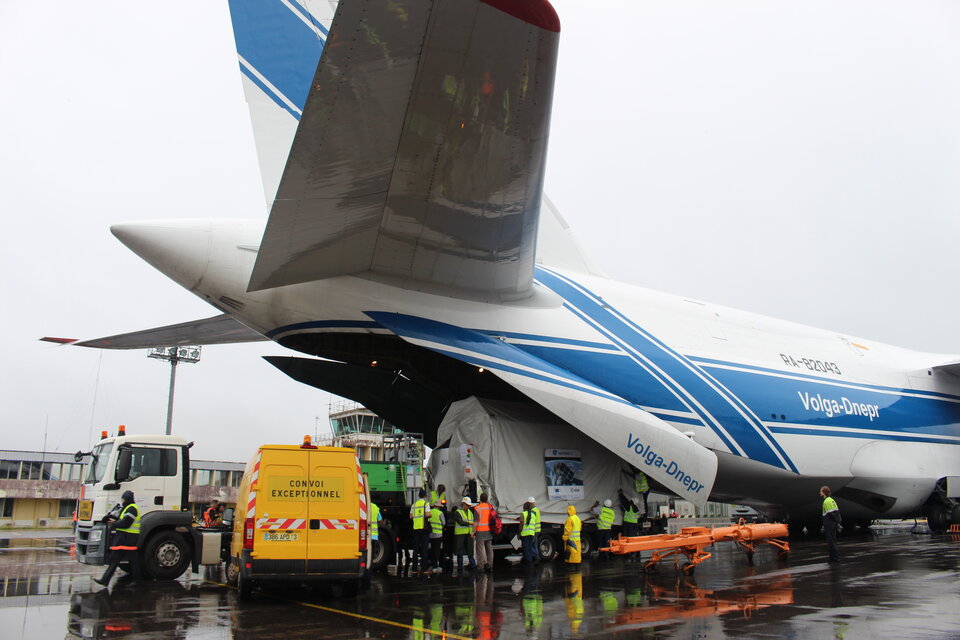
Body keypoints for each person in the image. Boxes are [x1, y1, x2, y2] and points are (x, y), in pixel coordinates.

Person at [94, 490, 141, 586]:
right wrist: (108, 518)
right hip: (124, 538)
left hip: (129, 538)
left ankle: (137, 580)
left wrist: (114, 523)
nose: (122, 501)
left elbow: (126, 523)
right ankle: (105, 580)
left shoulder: (132, 508)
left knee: (132, 560)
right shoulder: (127, 508)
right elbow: (120, 518)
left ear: (127, 499)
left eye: (123, 499)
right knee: (116, 559)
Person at [452, 497, 477, 573]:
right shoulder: (458, 512)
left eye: (469, 505)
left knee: (470, 550)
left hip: (468, 534)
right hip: (460, 534)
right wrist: (470, 523)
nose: (469, 507)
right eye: (468, 505)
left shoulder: (470, 512)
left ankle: (473, 565)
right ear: (463, 504)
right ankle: (460, 567)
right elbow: (460, 522)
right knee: (460, 551)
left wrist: (473, 532)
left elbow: (473, 523)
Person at [410, 489, 432, 573]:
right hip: (423, 528)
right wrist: (430, 514)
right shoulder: (426, 503)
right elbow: (427, 514)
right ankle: (424, 568)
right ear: (425, 496)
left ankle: (414, 569)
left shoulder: (414, 504)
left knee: (415, 549)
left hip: (415, 528)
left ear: (418, 496)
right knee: (424, 548)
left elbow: (411, 516)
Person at [474, 492, 494, 572]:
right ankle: (490, 565)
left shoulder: (477, 508)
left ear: (480, 499)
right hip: (489, 530)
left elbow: (476, 522)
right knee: (489, 548)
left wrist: (473, 531)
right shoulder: (490, 507)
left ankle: (480, 567)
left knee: (480, 549)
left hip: (480, 531)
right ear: (486, 499)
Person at [820, 485, 842, 563]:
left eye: (821, 491)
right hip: (833, 523)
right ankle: (835, 558)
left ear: (823, 492)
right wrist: (838, 522)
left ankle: (834, 559)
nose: (820, 493)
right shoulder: (832, 500)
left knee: (830, 542)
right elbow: (837, 511)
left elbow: (830, 513)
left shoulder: (826, 501)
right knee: (834, 541)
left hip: (829, 523)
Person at [428, 500, 446, 573]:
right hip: (438, 535)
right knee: (437, 551)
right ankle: (435, 566)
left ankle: (432, 564)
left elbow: (428, 521)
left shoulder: (430, 512)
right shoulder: (440, 513)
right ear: (439, 506)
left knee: (431, 550)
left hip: (430, 534)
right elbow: (443, 523)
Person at [520, 500, 538, 565]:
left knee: (526, 549)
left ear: (524, 508)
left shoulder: (523, 514)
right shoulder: (533, 514)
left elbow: (521, 525)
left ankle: (529, 562)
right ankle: (534, 559)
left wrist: (519, 533)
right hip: (532, 533)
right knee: (530, 547)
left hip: (525, 534)